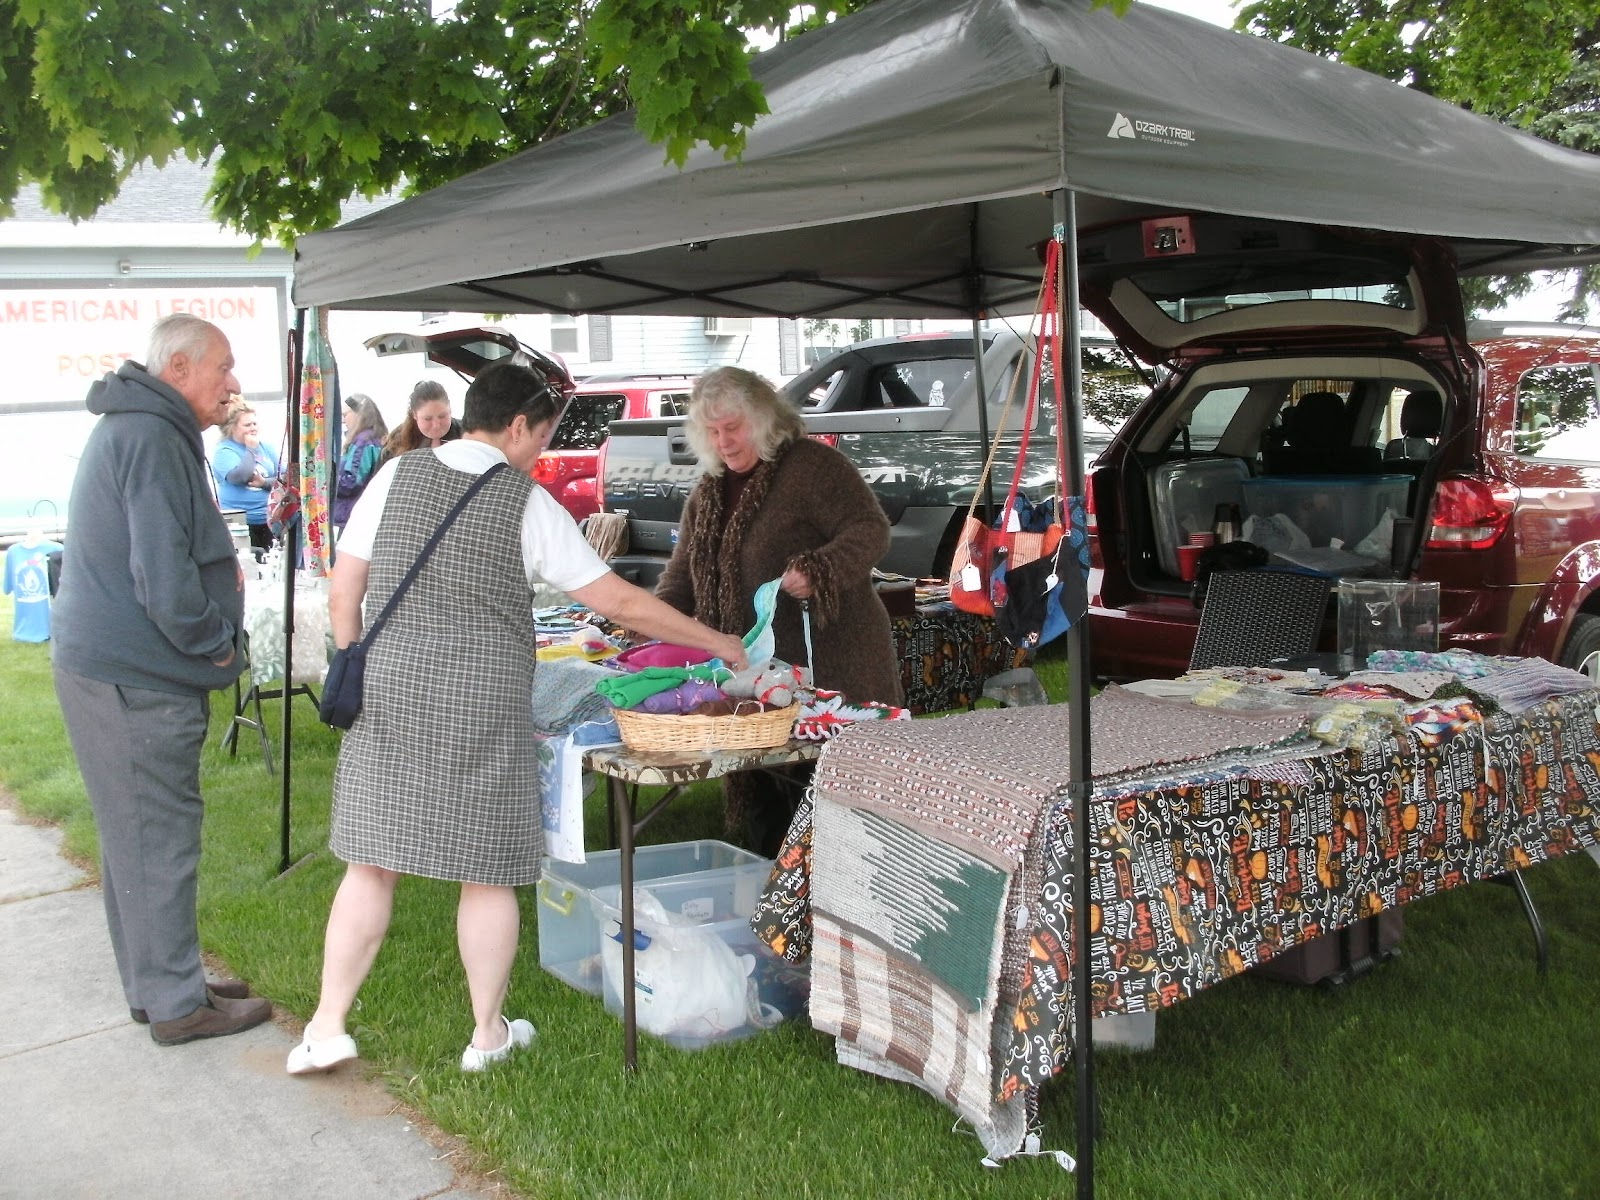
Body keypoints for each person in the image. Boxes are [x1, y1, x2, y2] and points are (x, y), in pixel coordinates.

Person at [287, 359, 747, 1077]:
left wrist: (355, 662)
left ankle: (324, 1030)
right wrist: (717, 641)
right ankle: (486, 1036)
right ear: (519, 425)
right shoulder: (523, 503)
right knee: (488, 873)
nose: (539, 449)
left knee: (370, 863)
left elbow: (347, 590)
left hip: (390, 688)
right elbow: (619, 604)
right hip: (483, 697)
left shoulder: (394, 475)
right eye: (542, 435)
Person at [51, 313, 272, 1046]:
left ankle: (162, 984)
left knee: (136, 840)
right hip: (134, 678)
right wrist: (214, 646)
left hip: (110, 668)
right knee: (159, 840)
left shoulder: (141, 427)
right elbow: (164, 577)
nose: (232, 383)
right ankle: (178, 1004)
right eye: (223, 367)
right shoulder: (149, 435)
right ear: (178, 369)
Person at [655, 365, 903, 854]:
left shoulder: (811, 466)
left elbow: (870, 529)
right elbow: (681, 579)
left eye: (734, 427)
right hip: (754, 680)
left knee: (831, 816)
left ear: (765, 419)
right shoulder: (707, 494)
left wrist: (821, 568)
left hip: (833, 667)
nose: (724, 441)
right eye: (713, 431)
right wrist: (653, 627)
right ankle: (773, 915)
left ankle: (831, 916)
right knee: (767, 812)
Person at [211, 398, 281, 559]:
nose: (253, 428)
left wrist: (264, 483)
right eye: (247, 425)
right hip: (241, 523)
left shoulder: (267, 447)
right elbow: (241, 476)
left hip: (269, 520)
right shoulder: (224, 451)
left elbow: (284, 479)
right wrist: (251, 449)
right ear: (232, 427)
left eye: (254, 424)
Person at [332, 393, 389, 530]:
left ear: (358, 414)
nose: (343, 421)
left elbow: (351, 482)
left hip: (355, 515)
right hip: (367, 513)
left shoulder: (363, 441)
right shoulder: (376, 438)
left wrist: (326, 483)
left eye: (345, 415)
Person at [381, 379, 461, 462]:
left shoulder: (467, 435)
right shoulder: (395, 444)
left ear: (450, 409)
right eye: (428, 419)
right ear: (415, 415)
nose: (436, 425)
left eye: (442, 416)